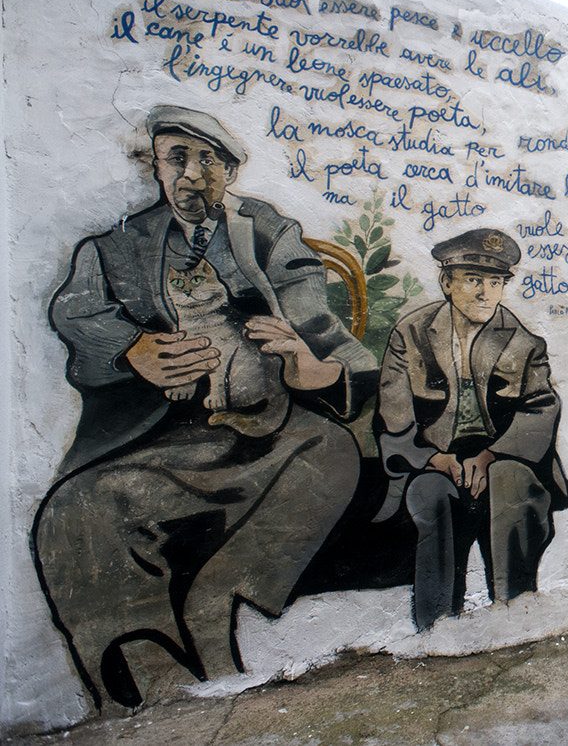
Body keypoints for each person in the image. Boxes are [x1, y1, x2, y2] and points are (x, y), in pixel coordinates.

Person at [34, 105, 378, 707]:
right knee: (75, 509)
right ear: (156, 168)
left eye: (207, 160)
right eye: (176, 159)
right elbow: (76, 311)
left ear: (231, 170)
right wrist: (131, 348)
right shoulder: (117, 247)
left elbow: (321, 329)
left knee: (334, 454)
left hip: (279, 430)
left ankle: (218, 608)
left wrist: (311, 364)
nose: (191, 174)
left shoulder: (268, 233)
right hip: (177, 438)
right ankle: (145, 672)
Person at [375, 228, 568, 629]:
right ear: (447, 283)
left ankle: (516, 611)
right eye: (473, 280)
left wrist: (493, 455)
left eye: (495, 282)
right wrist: (432, 459)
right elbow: (394, 414)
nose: (485, 293)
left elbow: (542, 408)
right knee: (431, 495)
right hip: (433, 456)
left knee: (511, 482)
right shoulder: (411, 334)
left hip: (502, 452)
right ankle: (438, 626)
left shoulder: (522, 341)